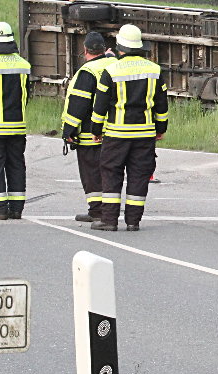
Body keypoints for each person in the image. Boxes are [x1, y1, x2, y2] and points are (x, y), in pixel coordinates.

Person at [90, 24, 168, 232]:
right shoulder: (154, 70)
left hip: (116, 134)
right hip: (144, 134)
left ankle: (109, 220)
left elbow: (100, 106)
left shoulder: (111, 70)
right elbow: (162, 105)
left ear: (120, 47)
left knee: (111, 174)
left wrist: (96, 130)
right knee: (139, 175)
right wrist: (161, 128)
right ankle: (133, 221)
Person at [61, 32, 117, 222]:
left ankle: (96, 211)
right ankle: (109, 209)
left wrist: (68, 130)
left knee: (91, 172)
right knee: (110, 172)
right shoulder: (114, 64)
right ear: (104, 49)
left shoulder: (87, 71)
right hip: (115, 130)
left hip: (91, 133)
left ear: (85, 50)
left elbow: (79, 103)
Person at [0, 21, 31, 220]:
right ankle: (16, 208)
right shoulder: (23, 64)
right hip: (17, 126)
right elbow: (27, 95)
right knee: (16, 165)